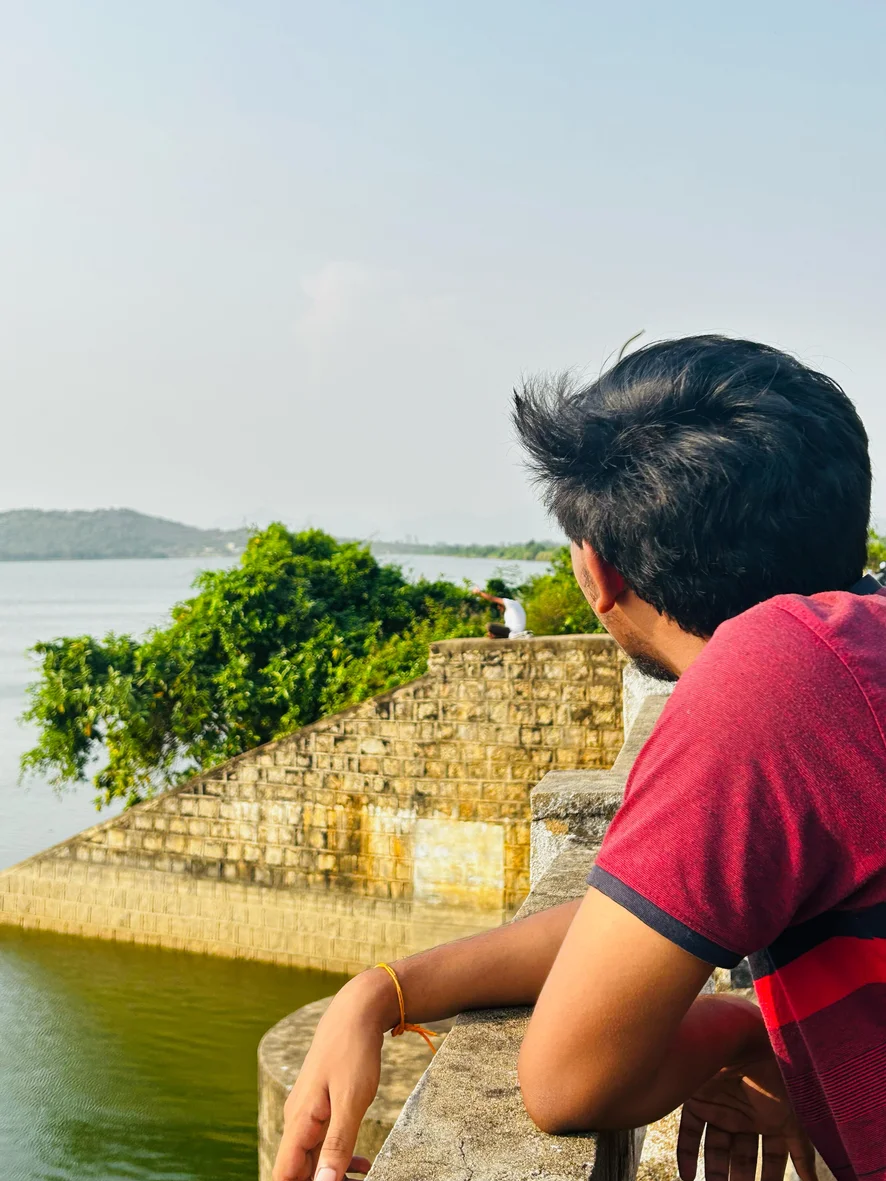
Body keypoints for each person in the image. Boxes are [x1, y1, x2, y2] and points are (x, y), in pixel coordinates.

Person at [273, 336, 886, 1181]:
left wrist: (739, 1028)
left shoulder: (772, 676)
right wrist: (385, 989)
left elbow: (567, 1080)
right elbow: (645, 911)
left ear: (597, 570)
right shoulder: (855, 653)